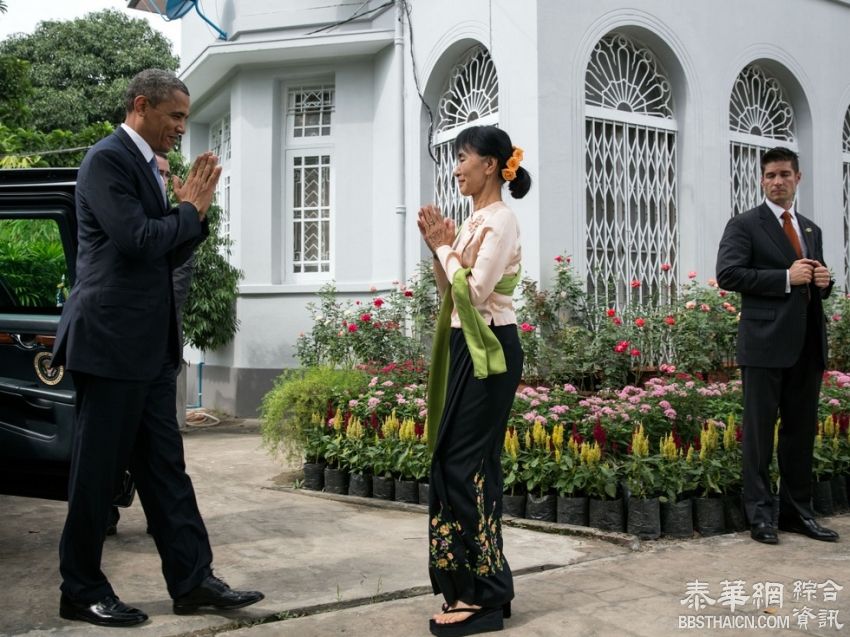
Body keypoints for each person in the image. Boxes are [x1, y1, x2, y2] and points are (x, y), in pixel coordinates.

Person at [52, 68, 263, 627]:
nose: (180, 128)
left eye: (184, 119)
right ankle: (80, 589)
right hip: (109, 343)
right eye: (174, 116)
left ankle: (192, 582)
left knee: (167, 471)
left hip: (147, 348)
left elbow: (165, 252)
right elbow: (138, 241)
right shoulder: (106, 160)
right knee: (97, 475)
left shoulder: (147, 169)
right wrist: (186, 213)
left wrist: (192, 214)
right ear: (141, 107)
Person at [418, 125, 531, 637]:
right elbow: (450, 289)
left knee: (464, 466)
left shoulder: (501, 219)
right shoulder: (472, 221)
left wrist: (446, 249)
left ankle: (482, 596)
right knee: (459, 462)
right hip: (468, 346)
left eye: (463, 157)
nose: (457, 167)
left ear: (490, 165)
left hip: (492, 350)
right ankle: (479, 587)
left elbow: (478, 290)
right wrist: (438, 246)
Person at [716, 146, 838, 546]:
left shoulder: (810, 230)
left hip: (806, 346)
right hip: (764, 344)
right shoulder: (744, 225)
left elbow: (812, 279)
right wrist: (785, 277)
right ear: (762, 180)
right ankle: (760, 516)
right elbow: (729, 274)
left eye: (785, 174)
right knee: (759, 434)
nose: (777, 181)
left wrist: (824, 282)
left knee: (800, 433)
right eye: (770, 175)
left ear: (797, 179)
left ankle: (797, 513)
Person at [105, 152, 195, 538]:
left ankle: (191, 575)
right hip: (115, 354)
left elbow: (177, 278)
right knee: (106, 454)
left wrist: (191, 215)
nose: (159, 178)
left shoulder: (173, 223)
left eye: (164, 173)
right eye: (153, 172)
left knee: (166, 461)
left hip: (158, 351)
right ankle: (103, 513)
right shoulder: (121, 214)